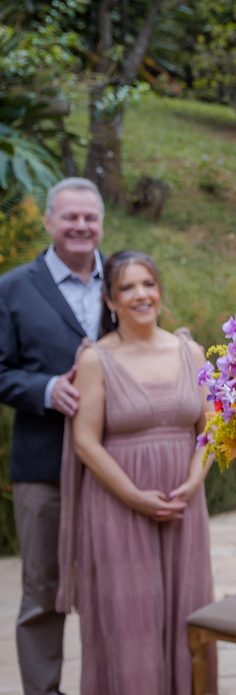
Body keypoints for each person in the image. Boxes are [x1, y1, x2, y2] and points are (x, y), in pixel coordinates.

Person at [55, 251, 215, 695]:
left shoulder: (191, 352)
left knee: (188, 611)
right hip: (118, 505)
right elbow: (86, 441)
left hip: (183, 502)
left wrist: (193, 482)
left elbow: (212, 429)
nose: (140, 295)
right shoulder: (95, 359)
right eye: (126, 287)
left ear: (159, 291)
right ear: (110, 300)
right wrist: (133, 496)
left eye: (148, 284)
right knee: (131, 622)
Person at [0, 177, 104, 695]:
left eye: (90, 218)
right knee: (43, 590)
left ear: (101, 223)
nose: (80, 226)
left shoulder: (126, 280)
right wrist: (44, 389)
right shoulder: (13, 287)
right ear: (48, 221)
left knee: (112, 587)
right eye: (70, 217)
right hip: (43, 465)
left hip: (115, 464)